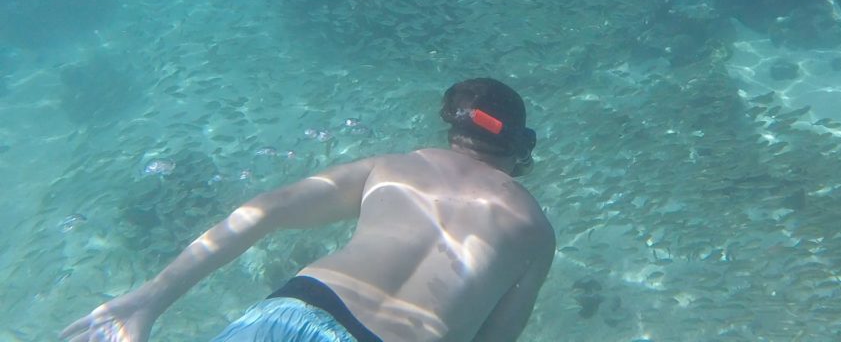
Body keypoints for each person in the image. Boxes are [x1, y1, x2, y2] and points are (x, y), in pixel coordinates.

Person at [62, 78, 555, 342]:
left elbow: (264, 211)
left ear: (453, 129)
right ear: (519, 145)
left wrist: (147, 300)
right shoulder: (534, 230)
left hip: (293, 312)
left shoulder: (395, 167)